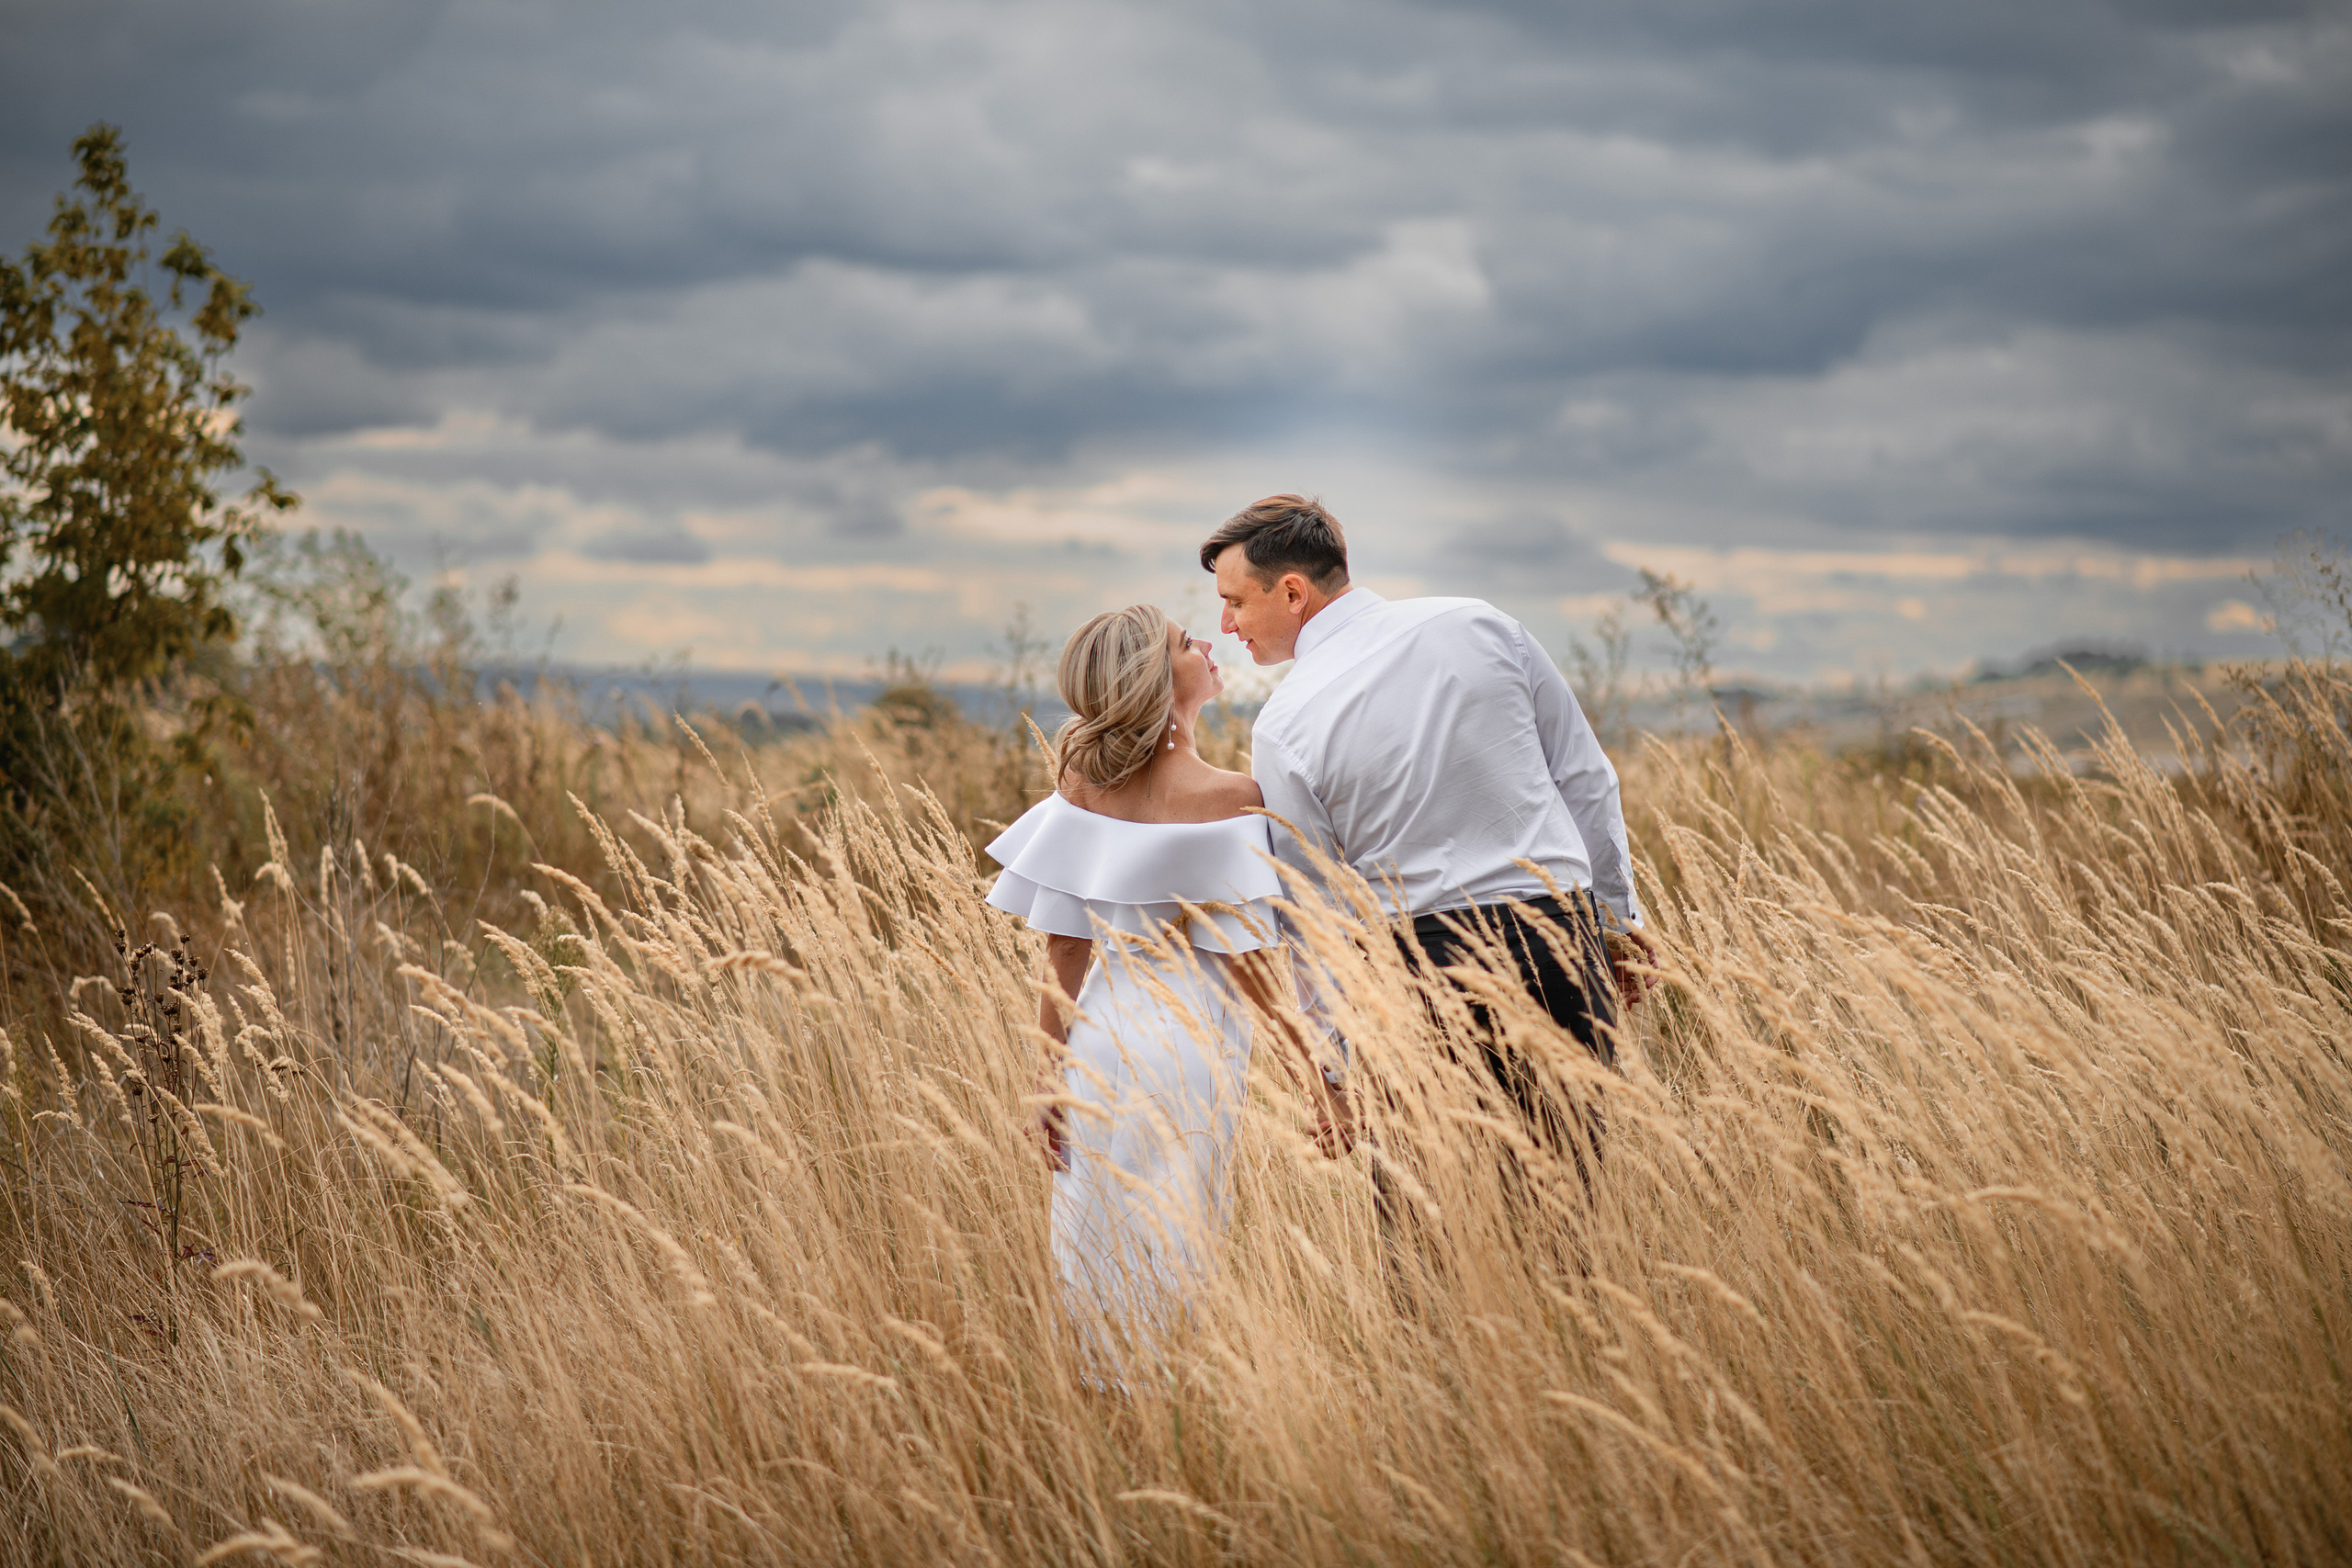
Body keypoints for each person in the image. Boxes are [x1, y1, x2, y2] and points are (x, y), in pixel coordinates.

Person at [1201, 494, 1657, 1277]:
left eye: (1235, 601)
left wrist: (1333, 1062)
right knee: (1568, 1208)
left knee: (1422, 1232)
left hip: (1417, 969)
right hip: (1558, 939)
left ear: (1293, 592)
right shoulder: (1480, 623)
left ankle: (1442, 1350)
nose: (1226, 624)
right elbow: (1584, 776)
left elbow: (1311, 907)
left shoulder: (1285, 722)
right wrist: (1616, 921)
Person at [983, 604, 1345, 1353]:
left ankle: (1106, 1387)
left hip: (1100, 1038)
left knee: (1093, 1234)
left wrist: (1048, 1077)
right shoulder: (1232, 797)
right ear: (1155, 677)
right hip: (1189, 1045)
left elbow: (1066, 948)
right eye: (1186, 641)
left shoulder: (1082, 783)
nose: (1207, 642)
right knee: (1176, 1233)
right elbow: (1252, 969)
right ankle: (1169, 1385)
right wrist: (1318, 1081)